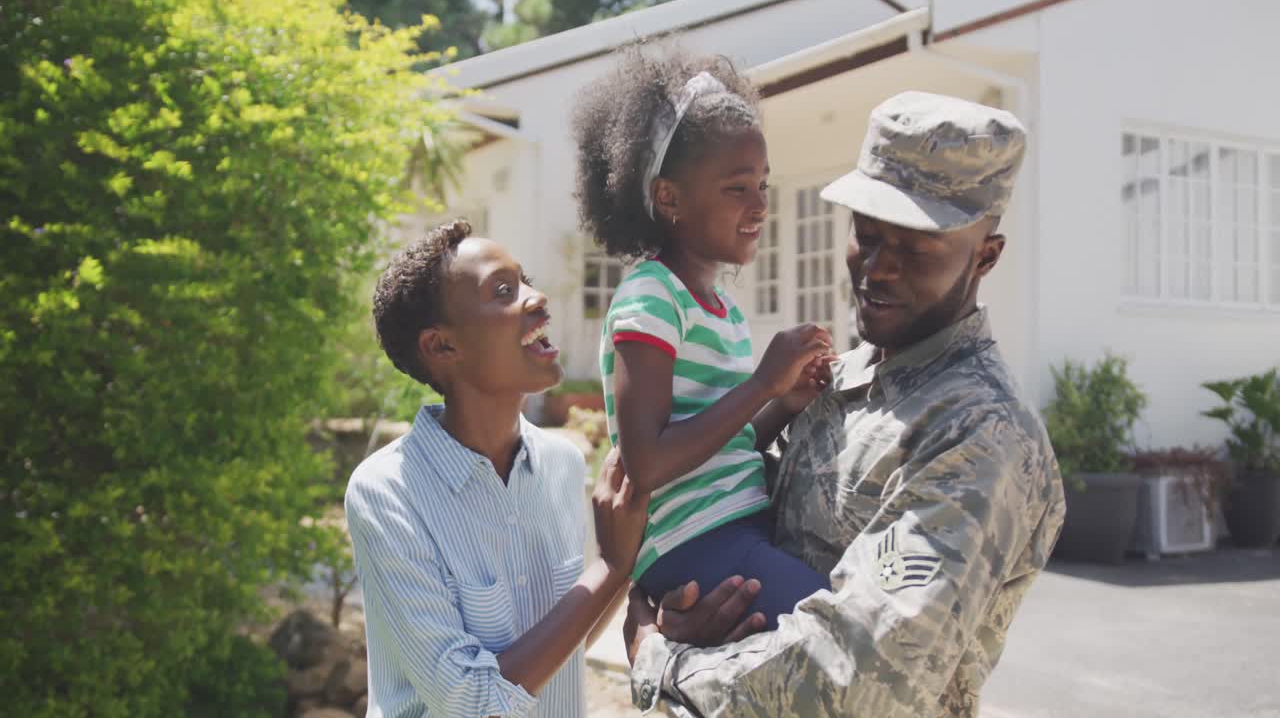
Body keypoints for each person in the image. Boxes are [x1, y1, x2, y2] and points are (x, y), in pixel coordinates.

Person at [623, 91, 1067, 718]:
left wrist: (662, 661)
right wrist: (684, 607)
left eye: (916, 248)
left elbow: (860, 671)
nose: (878, 269)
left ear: (985, 257)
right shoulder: (835, 380)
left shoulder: (979, 431)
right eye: (866, 233)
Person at [570, 45, 835, 631]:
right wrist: (763, 381)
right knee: (841, 629)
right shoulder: (650, 298)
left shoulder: (723, 311)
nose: (760, 204)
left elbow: (724, 443)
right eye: (737, 188)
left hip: (733, 528)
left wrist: (783, 401)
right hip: (693, 545)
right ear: (670, 199)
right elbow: (648, 461)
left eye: (763, 184)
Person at [344, 219, 647, 717]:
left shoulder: (563, 463)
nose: (537, 298)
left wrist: (625, 568)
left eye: (525, 280)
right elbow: (474, 703)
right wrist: (612, 566)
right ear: (442, 347)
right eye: (504, 291)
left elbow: (568, 637)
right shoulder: (386, 492)